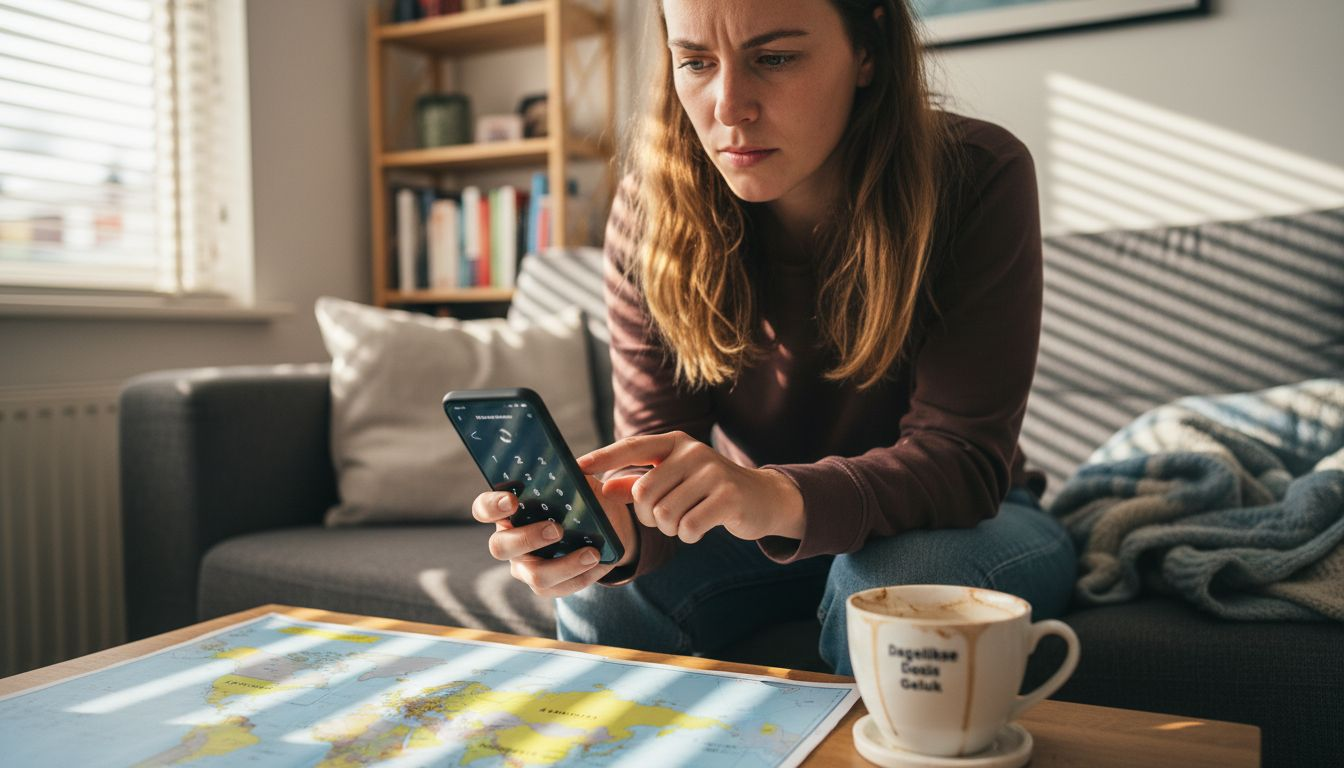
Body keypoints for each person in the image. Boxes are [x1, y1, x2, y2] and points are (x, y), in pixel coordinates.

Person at [471, 0, 1076, 675]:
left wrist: (772, 496)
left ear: (868, 49)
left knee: (894, 590)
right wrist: (613, 531)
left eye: (776, 58)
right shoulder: (652, 214)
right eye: (696, 62)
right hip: (757, 518)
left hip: (955, 519)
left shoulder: (976, 175)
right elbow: (657, 458)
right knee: (608, 594)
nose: (729, 107)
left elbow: (961, 459)